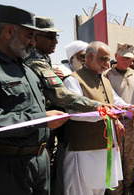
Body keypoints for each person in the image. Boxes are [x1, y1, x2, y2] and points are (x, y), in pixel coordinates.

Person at [0, 4, 68, 195]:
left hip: (39, 163)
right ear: (9, 31)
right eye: (29, 36)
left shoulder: (27, 70)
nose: (34, 43)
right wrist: (41, 119)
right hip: (5, 169)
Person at [24, 17, 107, 195]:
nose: (55, 41)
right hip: (35, 135)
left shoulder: (44, 60)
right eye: (50, 36)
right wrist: (100, 107)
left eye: (56, 37)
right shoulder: (35, 62)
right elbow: (62, 95)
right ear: (33, 37)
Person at [62, 41, 126, 195]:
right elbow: (75, 112)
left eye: (108, 59)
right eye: (103, 59)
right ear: (89, 57)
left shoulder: (104, 79)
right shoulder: (73, 80)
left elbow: (115, 100)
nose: (107, 63)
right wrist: (104, 113)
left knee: (100, 189)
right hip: (85, 151)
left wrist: (129, 108)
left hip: (107, 148)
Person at [104, 42, 134, 195]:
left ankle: (127, 185)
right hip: (114, 124)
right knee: (115, 157)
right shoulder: (106, 75)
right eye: (124, 58)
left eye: (130, 59)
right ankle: (116, 190)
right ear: (116, 56)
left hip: (131, 124)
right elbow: (105, 99)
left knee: (130, 158)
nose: (127, 62)